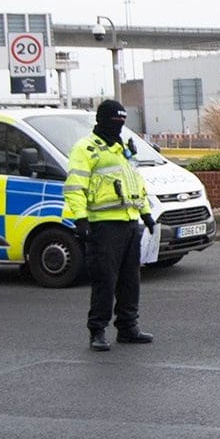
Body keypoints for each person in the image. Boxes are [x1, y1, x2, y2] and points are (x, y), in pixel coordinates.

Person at [63, 100, 156, 352]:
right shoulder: (86, 148)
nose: (119, 126)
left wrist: (146, 214)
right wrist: (80, 219)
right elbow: (74, 187)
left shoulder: (123, 149)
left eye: (122, 121)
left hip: (129, 222)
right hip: (103, 226)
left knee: (130, 280)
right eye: (115, 121)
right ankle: (97, 331)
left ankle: (128, 328)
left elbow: (136, 184)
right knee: (105, 280)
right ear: (101, 120)